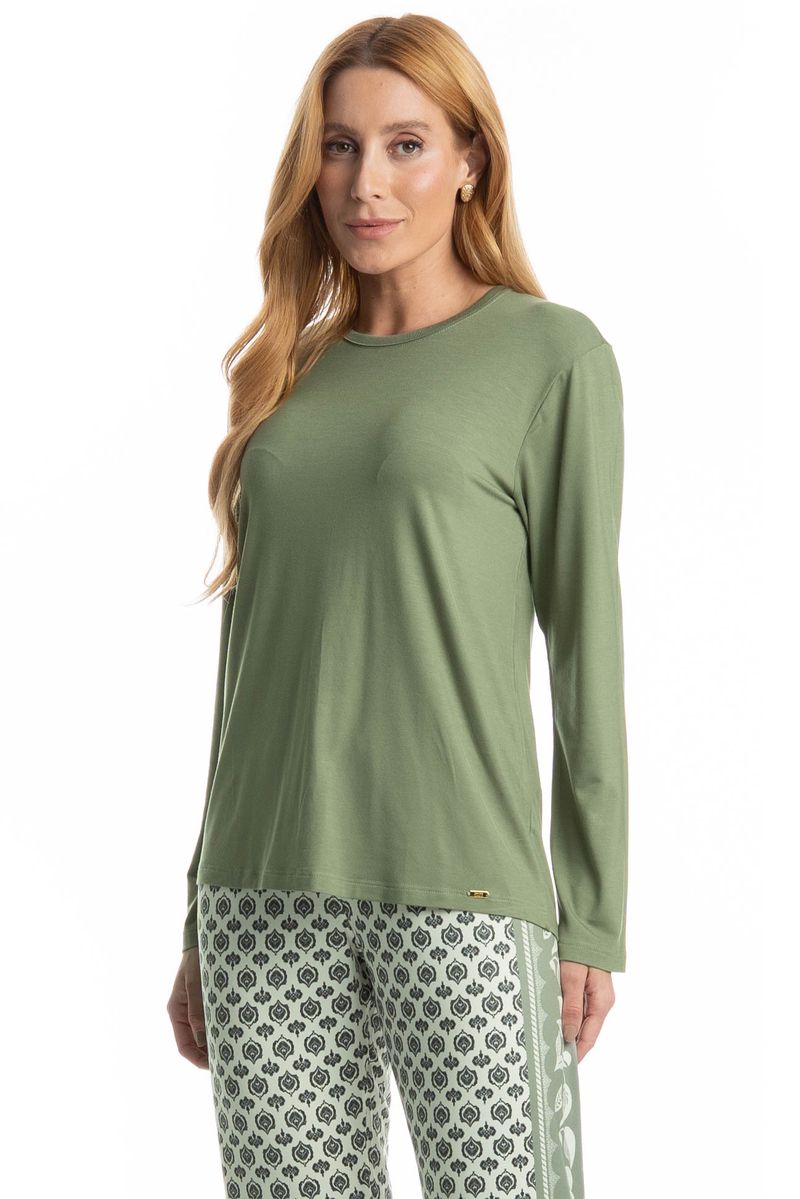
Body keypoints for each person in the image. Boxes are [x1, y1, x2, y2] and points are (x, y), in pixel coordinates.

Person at [166, 14, 628, 1199]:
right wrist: (197, 906)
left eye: (405, 144)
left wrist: (589, 914)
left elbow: (586, 651)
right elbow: (249, 658)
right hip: (260, 895)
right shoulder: (284, 372)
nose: (365, 182)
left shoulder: (549, 357)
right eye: (338, 146)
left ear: (470, 159)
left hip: (463, 890)